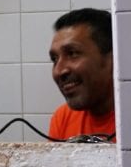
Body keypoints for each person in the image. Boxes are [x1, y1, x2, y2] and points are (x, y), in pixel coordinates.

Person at [48, 8, 115, 141]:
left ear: (113, 59)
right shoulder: (63, 118)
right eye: (55, 59)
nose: (58, 71)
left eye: (72, 53)